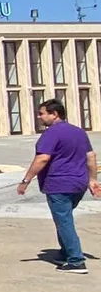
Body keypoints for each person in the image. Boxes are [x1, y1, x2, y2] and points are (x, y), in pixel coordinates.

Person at [17, 99, 101, 273]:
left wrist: (26, 181)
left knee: (64, 221)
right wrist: (92, 180)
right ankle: (65, 253)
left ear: (54, 114)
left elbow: (42, 158)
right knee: (64, 218)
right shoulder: (78, 132)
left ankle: (76, 261)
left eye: (42, 113)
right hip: (78, 184)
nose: (39, 117)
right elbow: (91, 156)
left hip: (59, 184)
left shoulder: (51, 133)